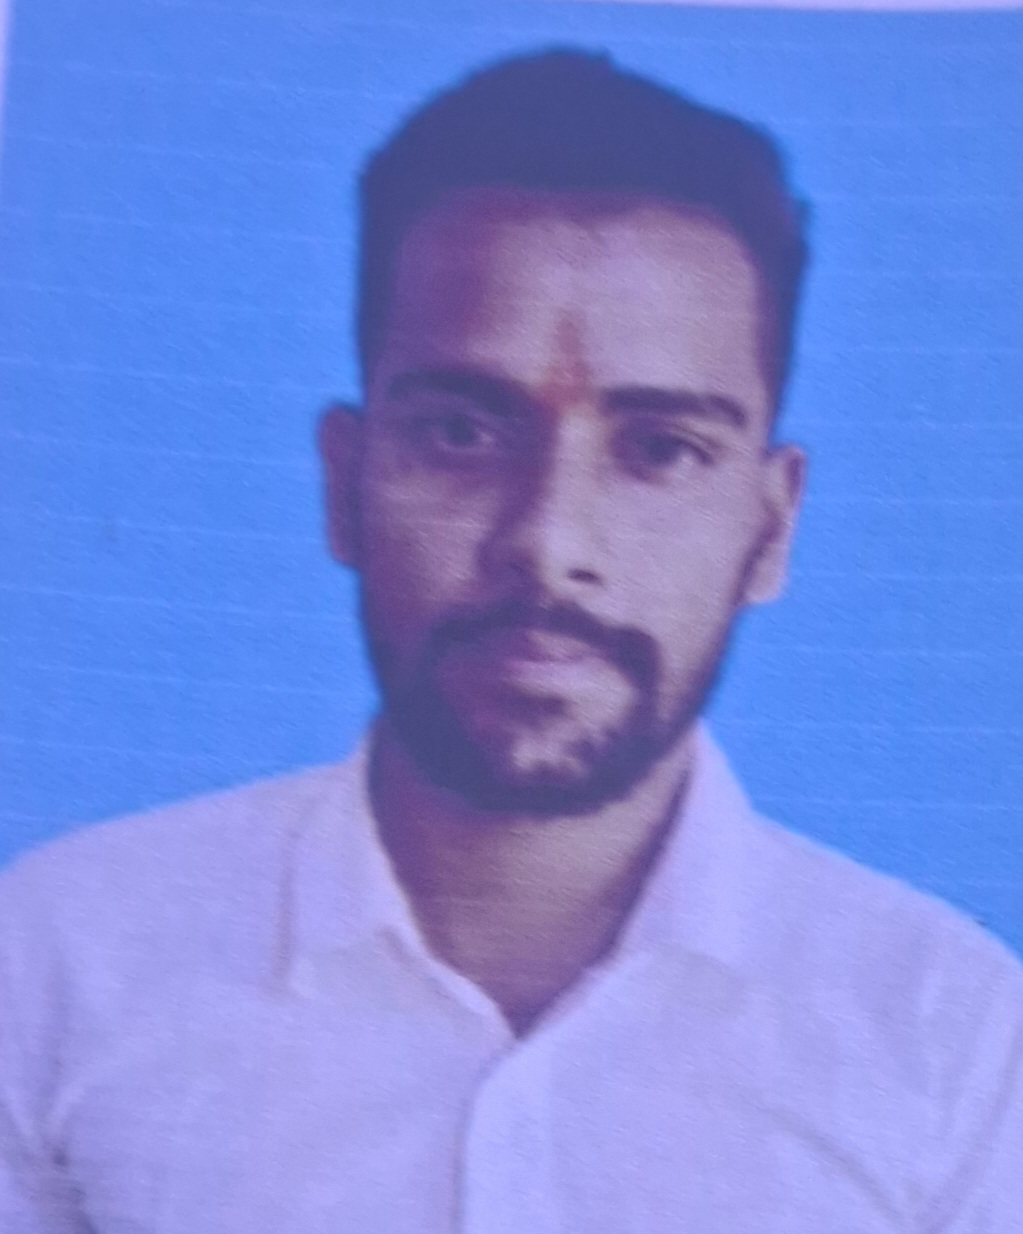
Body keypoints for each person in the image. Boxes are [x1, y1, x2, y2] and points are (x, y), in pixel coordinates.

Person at [1, 49, 1020, 1234]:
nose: (547, 541)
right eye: (460, 432)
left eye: (661, 450)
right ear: (345, 483)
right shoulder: (53, 963)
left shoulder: (953, 1039)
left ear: (769, 526)